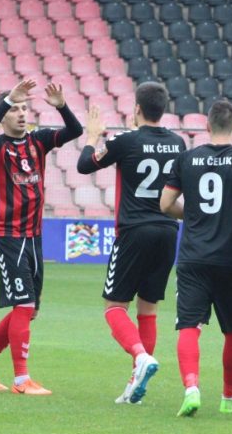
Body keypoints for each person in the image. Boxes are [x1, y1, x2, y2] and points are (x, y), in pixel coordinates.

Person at [0, 79, 82, 395]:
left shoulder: (38, 141)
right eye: (14, 109)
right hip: (8, 236)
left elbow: (75, 131)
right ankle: (21, 380)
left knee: (28, 310)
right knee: (24, 304)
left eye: (23, 108)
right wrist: (6, 101)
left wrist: (61, 106)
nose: (20, 114)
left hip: (33, 237)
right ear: (3, 115)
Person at [77, 82, 187, 405]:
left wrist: (92, 137)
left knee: (114, 307)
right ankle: (135, 385)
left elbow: (85, 165)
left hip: (134, 231)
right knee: (148, 308)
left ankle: (140, 357)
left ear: (137, 108)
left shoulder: (126, 140)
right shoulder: (178, 142)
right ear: (163, 109)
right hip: (168, 231)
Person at [159, 100, 232, 417]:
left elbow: (165, 204)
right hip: (231, 257)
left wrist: (192, 215)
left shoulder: (187, 158)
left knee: (188, 324)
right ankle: (229, 398)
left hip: (193, 256)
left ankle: (191, 389)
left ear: (207, 126)